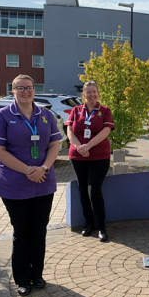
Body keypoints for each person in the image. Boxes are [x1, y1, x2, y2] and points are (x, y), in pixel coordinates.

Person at [0, 74, 62, 296]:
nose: (25, 91)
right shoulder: (3, 115)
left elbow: (55, 144)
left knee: (38, 231)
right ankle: (22, 278)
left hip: (43, 183)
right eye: (21, 88)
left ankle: (37, 274)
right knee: (22, 232)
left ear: (34, 90)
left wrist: (44, 169)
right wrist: (28, 170)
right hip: (15, 184)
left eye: (29, 88)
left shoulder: (46, 115)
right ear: (13, 90)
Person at [66, 81, 115, 242]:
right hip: (78, 155)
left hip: (99, 156)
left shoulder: (105, 111)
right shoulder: (76, 110)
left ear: (98, 93)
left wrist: (88, 146)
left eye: (94, 92)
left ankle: (101, 226)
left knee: (95, 190)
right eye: (88, 92)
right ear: (83, 95)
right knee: (82, 189)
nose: (92, 95)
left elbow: (105, 131)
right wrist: (79, 146)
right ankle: (89, 223)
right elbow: (70, 130)